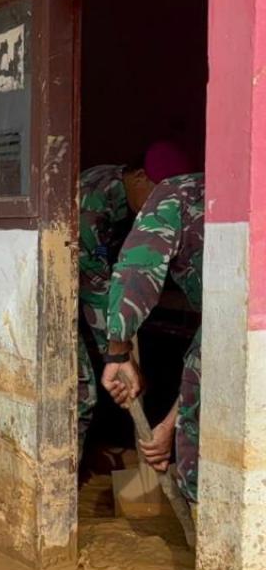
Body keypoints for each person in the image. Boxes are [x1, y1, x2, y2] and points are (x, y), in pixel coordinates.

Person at [76, 142, 189, 454]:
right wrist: (118, 352)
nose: (162, 206)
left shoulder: (129, 199)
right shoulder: (95, 198)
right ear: (139, 176)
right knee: (80, 392)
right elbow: (95, 283)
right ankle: (60, 486)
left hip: (84, 299)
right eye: (157, 194)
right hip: (51, 301)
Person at [101, 163, 203, 505]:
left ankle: (206, 533)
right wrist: (168, 427)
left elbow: (137, 268)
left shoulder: (177, 193)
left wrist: (117, 351)